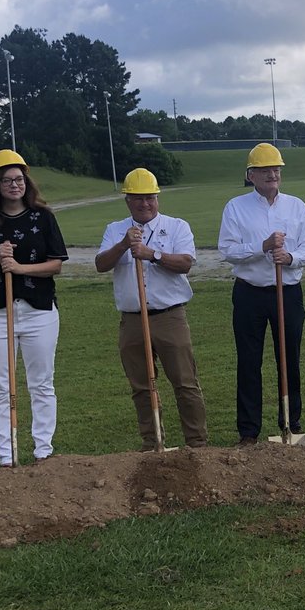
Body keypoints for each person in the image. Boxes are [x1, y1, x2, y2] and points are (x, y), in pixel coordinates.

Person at [0, 150, 67, 466]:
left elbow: (55, 264)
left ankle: (43, 451)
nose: (14, 185)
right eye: (7, 180)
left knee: (42, 382)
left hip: (38, 310)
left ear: (26, 182)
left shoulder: (43, 217)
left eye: (19, 179)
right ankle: (6, 456)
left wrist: (19, 269)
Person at [95, 168, 208, 450]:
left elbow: (185, 263)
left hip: (170, 316)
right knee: (142, 386)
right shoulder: (115, 229)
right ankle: (152, 442)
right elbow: (100, 265)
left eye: (150, 198)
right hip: (132, 319)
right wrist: (124, 245)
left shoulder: (177, 226)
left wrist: (151, 254)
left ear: (157, 198)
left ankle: (197, 442)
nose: (145, 204)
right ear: (127, 201)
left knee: (184, 382)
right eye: (137, 199)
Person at [219, 144, 305, 444]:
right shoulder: (236, 207)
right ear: (251, 175)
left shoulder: (296, 206)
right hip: (250, 293)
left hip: (287, 292)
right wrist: (261, 247)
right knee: (249, 362)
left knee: (289, 359)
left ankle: (291, 423)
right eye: (265, 170)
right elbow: (228, 250)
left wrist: (290, 258)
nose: (272, 174)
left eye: (276, 169)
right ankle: (248, 432)